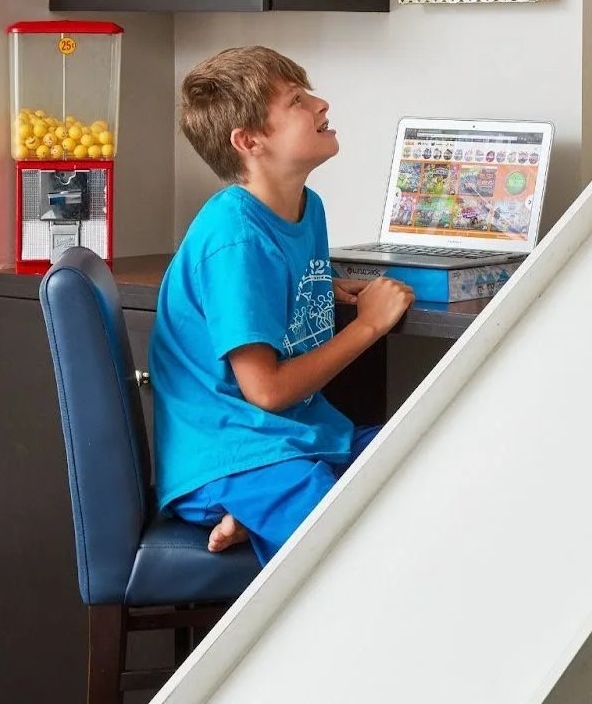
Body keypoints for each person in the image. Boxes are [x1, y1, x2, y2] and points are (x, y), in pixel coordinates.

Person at [149, 46, 414, 566]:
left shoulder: (305, 208)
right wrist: (368, 326)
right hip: (232, 456)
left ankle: (255, 520)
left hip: (291, 442)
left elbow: (274, 278)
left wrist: (316, 286)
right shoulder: (235, 238)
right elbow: (266, 392)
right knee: (359, 550)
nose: (320, 104)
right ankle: (248, 510)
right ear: (249, 142)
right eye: (297, 100)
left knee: (417, 455)